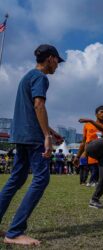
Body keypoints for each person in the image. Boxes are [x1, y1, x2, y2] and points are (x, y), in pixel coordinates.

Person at [0, 44, 64, 246]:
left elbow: (32, 109)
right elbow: (38, 105)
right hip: (33, 138)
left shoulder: (27, 76)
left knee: (16, 180)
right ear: (51, 59)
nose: (57, 66)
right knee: (41, 179)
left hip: (21, 135)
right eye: (57, 62)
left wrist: (51, 132)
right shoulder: (40, 77)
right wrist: (46, 136)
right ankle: (15, 231)